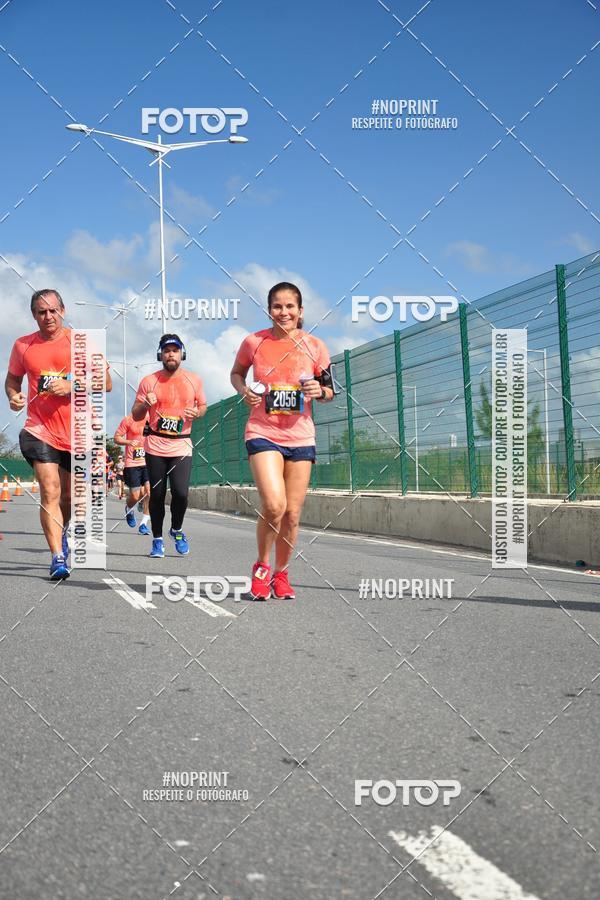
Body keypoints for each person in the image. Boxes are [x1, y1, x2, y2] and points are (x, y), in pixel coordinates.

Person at [230, 282, 335, 600]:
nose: (284, 312)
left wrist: (321, 391)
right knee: (274, 506)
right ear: (269, 309)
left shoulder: (315, 346)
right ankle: (261, 567)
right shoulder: (254, 342)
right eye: (277, 306)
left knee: (292, 513)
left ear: (301, 311)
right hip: (263, 431)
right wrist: (243, 390)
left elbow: (330, 389)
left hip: (301, 436)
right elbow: (236, 373)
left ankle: (282, 573)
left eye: (290, 306)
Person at [5, 289, 112, 579]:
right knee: (50, 489)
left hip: (77, 432)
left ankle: (62, 533)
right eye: (41, 311)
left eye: (53, 310)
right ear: (34, 315)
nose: (48, 316)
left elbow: (107, 382)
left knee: (70, 498)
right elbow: (13, 379)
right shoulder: (23, 345)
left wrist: (73, 385)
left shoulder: (82, 343)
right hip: (38, 429)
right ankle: (57, 556)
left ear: (63, 310)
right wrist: (13, 395)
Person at [131, 334, 206, 558]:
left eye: (175, 350)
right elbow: (136, 414)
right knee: (157, 494)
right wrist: (145, 403)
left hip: (181, 445)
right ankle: (157, 540)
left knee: (181, 494)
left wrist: (197, 413)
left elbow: (203, 406)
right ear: (160, 355)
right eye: (166, 350)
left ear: (182, 353)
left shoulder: (194, 380)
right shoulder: (149, 381)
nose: (170, 354)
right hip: (155, 445)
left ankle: (176, 529)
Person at [114, 414, 151, 534]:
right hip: (132, 464)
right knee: (135, 496)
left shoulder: (153, 417)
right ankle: (129, 508)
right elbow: (117, 438)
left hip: (148, 462)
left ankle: (144, 523)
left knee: (149, 492)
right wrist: (129, 442)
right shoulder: (128, 420)